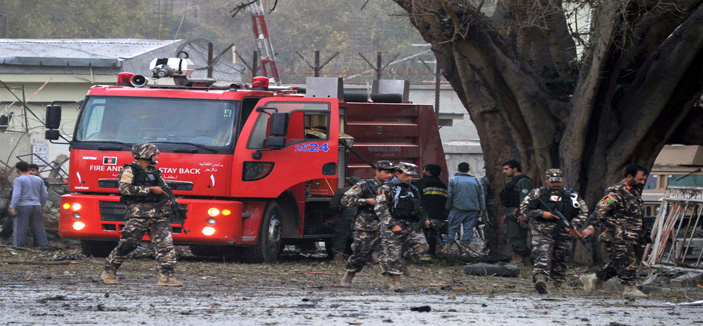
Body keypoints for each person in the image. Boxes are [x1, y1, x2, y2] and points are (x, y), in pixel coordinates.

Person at [101, 143, 182, 287]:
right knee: (128, 244)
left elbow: (164, 188)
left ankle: (166, 277)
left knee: (166, 246)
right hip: (138, 215)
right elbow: (125, 189)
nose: (156, 157)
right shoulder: (130, 170)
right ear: (145, 155)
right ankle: (109, 271)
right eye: (154, 154)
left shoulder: (155, 172)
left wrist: (169, 200)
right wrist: (149, 190)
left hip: (158, 215)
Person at [580, 165, 650, 298]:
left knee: (618, 263)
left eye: (644, 180)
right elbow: (600, 210)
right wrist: (591, 227)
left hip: (630, 235)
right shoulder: (615, 193)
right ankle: (630, 289)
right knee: (628, 261)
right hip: (617, 235)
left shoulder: (633, 192)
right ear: (629, 176)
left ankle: (593, 278)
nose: (642, 182)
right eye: (640, 179)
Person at [521, 168, 588, 294]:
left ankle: (557, 284)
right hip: (542, 230)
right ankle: (541, 279)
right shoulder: (536, 193)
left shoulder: (572, 195)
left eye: (558, 181)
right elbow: (524, 209)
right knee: (543, 253)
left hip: (563, 231)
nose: (555, 183)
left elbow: (583, 212)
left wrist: (574, 224)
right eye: (552, 181)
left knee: (560, 257)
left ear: (562, 180)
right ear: (546, 180)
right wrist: (541, 213)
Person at [339, 161, 395, 287]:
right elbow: (345, 200)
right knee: (361, 253)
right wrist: (365, 201)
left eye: (391, 173)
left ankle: (392, 281)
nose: (389, 175)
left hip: (386, 224)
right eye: (386, 172)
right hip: (366, 225)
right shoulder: (364, 185)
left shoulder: (392, 187)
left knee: (390, 253)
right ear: (377, 171)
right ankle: (349, 276)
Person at [375, 162, 430, 290]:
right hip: (393, 223)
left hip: (410, 223)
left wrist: (424, 219)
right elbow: (380, 208)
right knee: (392, 253)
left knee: (422, 246)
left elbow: (418, 206)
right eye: (407, 175)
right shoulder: (387, 188)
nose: (410, 178)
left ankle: (405, 264)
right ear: (398, 174)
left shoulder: (413, 189)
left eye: (412, 176)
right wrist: (392, 224)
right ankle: (395, 282)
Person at [442, 162, 484, 253]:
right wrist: (481, 208)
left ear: (458, 169)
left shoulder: (452, 180)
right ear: (469, 170)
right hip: (472, 209)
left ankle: (447, 248)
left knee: (451, 227)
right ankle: (465, 248)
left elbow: (449, 195)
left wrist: (448, 207)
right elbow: (480, 196)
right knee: (468, 229)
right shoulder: (476, 181)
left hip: (457, 208)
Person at [8, 161, 50, 250]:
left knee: (20, 228)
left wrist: (13, 207)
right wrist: (42, 205)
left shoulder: (19, 180)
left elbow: (16, 195)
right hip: (36, 206)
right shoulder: (39, 180)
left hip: (23, 206)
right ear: (28, 169)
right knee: (39, 227)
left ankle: (18, 247)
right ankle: (44, 246)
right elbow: (45, 194)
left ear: (18, 170)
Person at [499, 160, 533, 267]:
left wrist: (523, 213)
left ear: (515, 169)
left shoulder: (523, 181)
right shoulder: (513, 182)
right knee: (514, 235)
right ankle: (524, 260)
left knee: (517, 235)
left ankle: (519, 260)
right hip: (512, 211)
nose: (504, 172)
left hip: (518, 212)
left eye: (506, 169)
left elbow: (525, 199)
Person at [413, 163, 448, 256]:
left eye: (424, 170)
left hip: (424, 214)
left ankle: (421, 253)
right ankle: (431, 253)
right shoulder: (443, 185)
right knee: (433, 234)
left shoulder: (420, 183)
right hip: (439, 214)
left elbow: (414, 199)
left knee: (422, 234)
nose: (423, 171)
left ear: (428, 172)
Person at [329, 176, 360, 260]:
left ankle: (338, 256)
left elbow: (333, 206)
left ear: (348, 183)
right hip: (363, 217)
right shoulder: (363, 190)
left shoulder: (342, 191)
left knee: (340, 234)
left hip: (348, 216)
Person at [481, 173, 496, 255]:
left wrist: (482, 209)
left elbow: (483, 195)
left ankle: (489, 244)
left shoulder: (485, 180)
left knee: (489, 224)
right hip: (499, 206)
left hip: (490, 206)